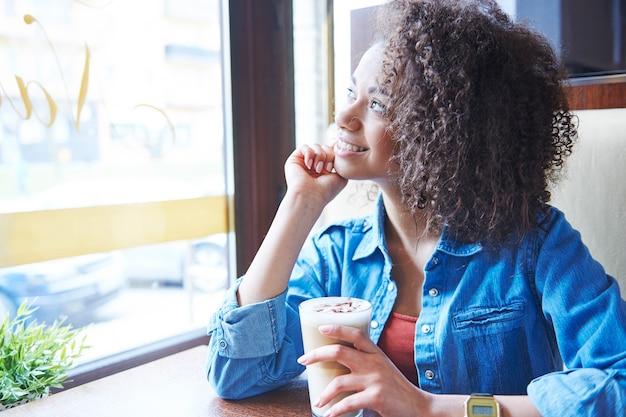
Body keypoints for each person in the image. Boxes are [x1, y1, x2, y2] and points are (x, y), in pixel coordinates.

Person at [206, 0, 626, 416]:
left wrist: (430, 407)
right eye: (352, 91)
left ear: (444, 131)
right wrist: (300, 204)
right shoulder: (338, 253)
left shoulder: (535, 243)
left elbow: (618, 381)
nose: (345, 116)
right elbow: (235, 373)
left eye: (378, 104)